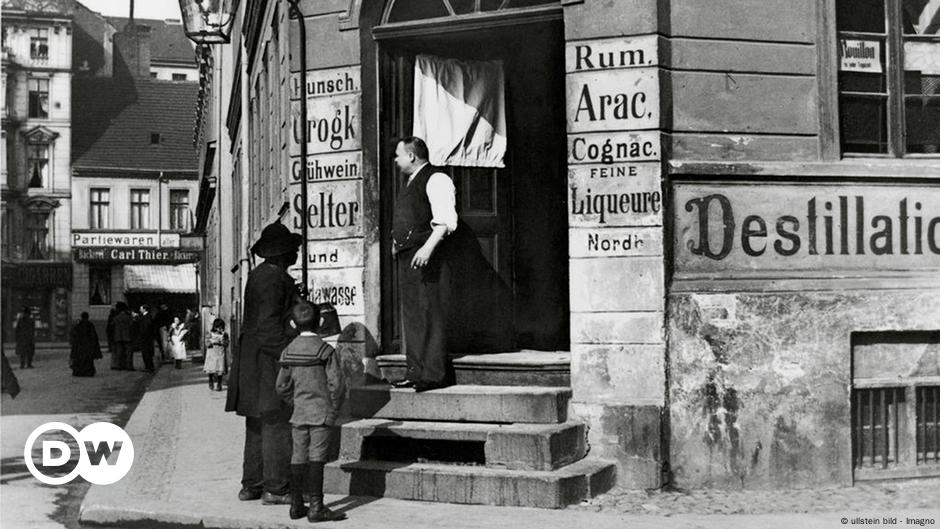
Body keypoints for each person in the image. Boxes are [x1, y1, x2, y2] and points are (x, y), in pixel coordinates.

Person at [390, 136, 514, 392]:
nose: (396, 160)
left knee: (430, 312)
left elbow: (446, 220)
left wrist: (427, 248)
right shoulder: (410, 182)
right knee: (413, 314)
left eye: (398, 155)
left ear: (412, 156)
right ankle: (415, 370)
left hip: (428, 256)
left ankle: (433, 374)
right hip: (408, 255)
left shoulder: (437, 179)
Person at [225, 221, 302, 505]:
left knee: (256, 424)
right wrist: (290, 356)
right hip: (267, 362)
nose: (295, 255)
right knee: (276, 423)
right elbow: (269, 326)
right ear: (283, 253)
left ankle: (252, 485)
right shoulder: (274, 278)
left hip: (251, 361)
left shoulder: (260, 275)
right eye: (293, 250)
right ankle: (277, 488)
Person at [275, 301, 346, 522]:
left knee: (298, 456)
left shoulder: (289, 351)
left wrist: (294, 402)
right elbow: (337, 384)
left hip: (299, 414)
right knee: (317, 458)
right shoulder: (325, 350)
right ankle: (316, 507)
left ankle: (296, 505)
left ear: (293, 324)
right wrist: (333, 408)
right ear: (320, 322)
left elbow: (281, 387)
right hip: (321, 413)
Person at [69, 312, 101, 377]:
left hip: (80, 346)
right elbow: (94, 336)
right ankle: (88, 372)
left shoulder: (78, 325)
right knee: (88, 360)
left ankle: (79, 372)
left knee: (80, 359)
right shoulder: (90, 325)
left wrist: (74, 345)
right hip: (88, 346)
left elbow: (74, 336)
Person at [204, 318, 229, 391]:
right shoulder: (210, 333)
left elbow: (226, 344)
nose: (220, 329)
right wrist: (212, 342)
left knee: (220, 368)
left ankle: (219, 384)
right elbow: (207, 343)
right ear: (215, 327)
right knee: (211, 369)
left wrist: (222, 341)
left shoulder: (225, 334)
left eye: (221, 327)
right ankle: (211, 380)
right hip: (212, 352)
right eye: (218, 327)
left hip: (220, 353)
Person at [111, 302, 134, 371]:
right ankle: (129, 366)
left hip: (118, 337)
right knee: (128, 352)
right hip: (127, 336)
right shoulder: (128, 317)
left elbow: (112, 326)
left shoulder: (116, 318)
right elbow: (132, 325)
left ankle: (119, 366)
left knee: (119, 352)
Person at [138, 305, 156, 373]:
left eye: (141, 309)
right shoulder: (145, 317)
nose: (140, 310)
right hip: (146, 338)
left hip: (146, 338)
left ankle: (149, 367)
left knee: (147, 353)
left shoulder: (147, 317)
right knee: (146, 353)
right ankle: (148, 366)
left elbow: (146, 328)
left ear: (145, 309)